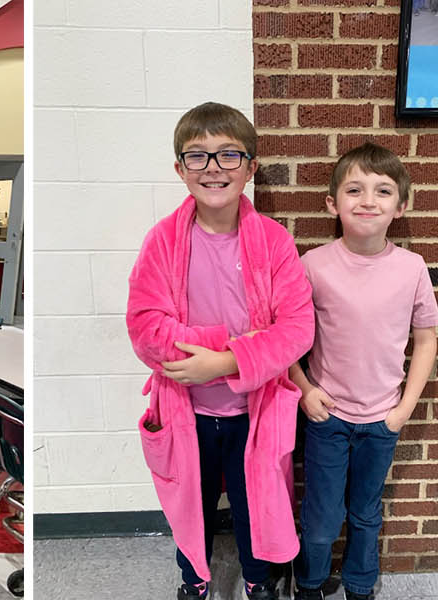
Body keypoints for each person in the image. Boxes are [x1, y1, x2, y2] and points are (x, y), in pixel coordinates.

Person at [124, 102, 315, 600]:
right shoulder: (162, 242)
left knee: (257, 505)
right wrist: (224, 352)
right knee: (192, 503)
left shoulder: (274, 242)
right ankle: (194, 580)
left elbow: (297, 328)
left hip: (254, 411)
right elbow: (145, 327)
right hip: (187, 409)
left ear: (251, 167)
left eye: (229, 155)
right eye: (198, 156)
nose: (213, 168)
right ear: (179, 169)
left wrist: (226, 362)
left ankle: (258, 579)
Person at [290, 144, 438, 600]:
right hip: (327, 418)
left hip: (382, 421)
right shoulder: (313, 265)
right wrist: (304, 389)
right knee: (320, 519)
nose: (368, 200)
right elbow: (285, 337)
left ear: (401, 206)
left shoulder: (412, 268)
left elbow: (427, 339)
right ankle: (310, 582)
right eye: (354, 190)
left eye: (383, 191)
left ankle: (359, 584)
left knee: (365, 513)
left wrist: (402, 410)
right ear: (332, 204)